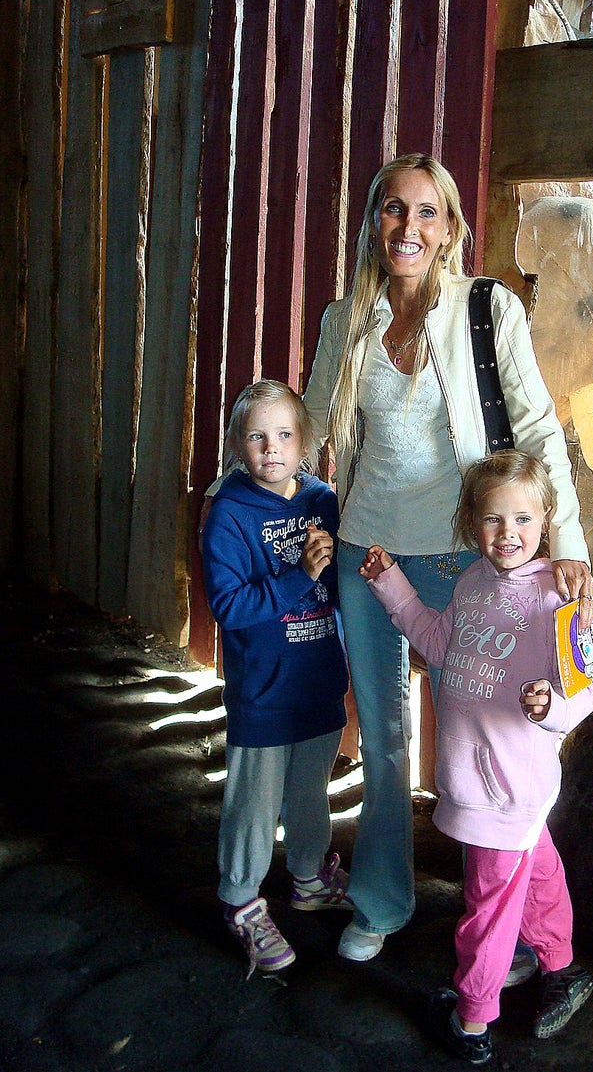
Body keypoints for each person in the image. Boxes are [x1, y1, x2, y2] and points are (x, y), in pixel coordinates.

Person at [303, 152, 593, 964]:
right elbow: (311, 427)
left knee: (492, 737)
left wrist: (564, 546)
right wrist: (266, 502)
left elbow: (535, 431)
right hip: (370, 557)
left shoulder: (485, 309)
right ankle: (381, 900)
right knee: (388, 739)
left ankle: (512, 925)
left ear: (449, 228)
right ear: (372, 223)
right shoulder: (344, 321)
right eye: (393, 209)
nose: (408, 226)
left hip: (472, 563)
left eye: (426, 212)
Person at [360, 451, 593, 1064]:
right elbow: (437, 643)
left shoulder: (566, 596)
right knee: (538, 869)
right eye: (493, 520)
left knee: (486, 910)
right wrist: (392, 583)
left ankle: (472, 1020)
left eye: (522, 518)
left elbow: (587, 689)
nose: (508, 534)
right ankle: (561, 963)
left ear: (545, 520)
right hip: (480, 779)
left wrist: (552, 709)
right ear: (471, 524)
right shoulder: (470, 583)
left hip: (509, 785)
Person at [201, 379, 353, 978]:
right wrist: (297, 576)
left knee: (311, 791)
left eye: (285, 434)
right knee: (254, 806)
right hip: (263, 691)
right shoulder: (231, 514)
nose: (272, 448)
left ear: (305, 441)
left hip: (317, 681)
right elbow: (230, 607)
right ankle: (240, 901)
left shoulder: (322, 500)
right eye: (258, 436)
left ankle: (311, 878)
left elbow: (341, 587)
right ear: (238, 444)